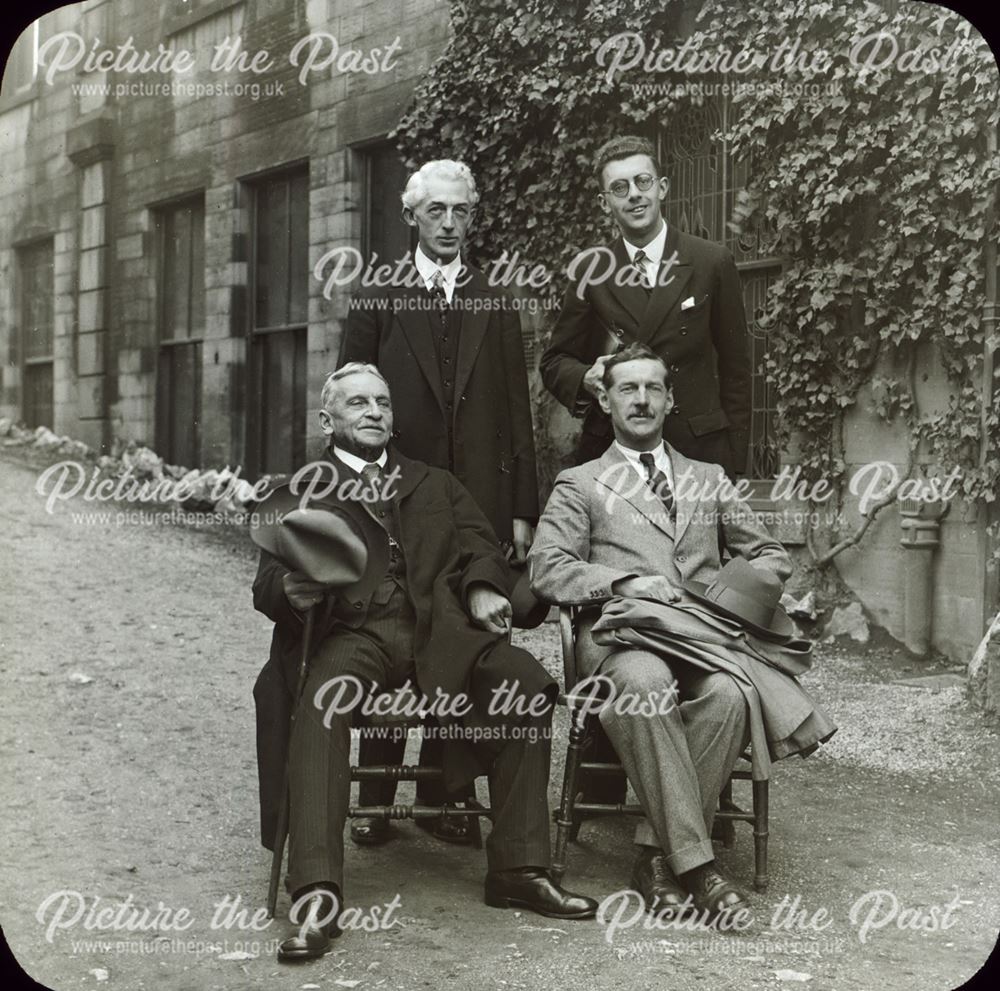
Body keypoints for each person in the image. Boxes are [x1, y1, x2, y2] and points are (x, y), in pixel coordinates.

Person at [252, 363, 596, 962]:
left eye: (382, 402)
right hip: (351, 632)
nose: (374, 412)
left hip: (440, 629)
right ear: (327, 419)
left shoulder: (433, 481)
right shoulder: (302, 488)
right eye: (357, 403)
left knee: (525, 685)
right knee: (321, 703)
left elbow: (482, 546)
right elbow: (268, 583)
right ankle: (316, 894)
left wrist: (486, 585)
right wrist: (292, 591)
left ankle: (518, 866)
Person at [529, 343, 806, 921]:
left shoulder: (709, 478)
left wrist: (726, 595)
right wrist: (622, 582)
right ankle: (700, 871)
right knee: (646, 682)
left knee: (731, 693)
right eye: (627, 388)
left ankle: (658, 860)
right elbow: (547, 567)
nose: (641, 399)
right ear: (604, 400)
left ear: (670, 399)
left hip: (702, 636)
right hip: (622, 638)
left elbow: (772, 555)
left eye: (653, 388)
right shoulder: (581, 482)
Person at [340, 160, 541, 840]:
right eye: (438, 213)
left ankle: (445, 796)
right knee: (396, 619)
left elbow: (518, 410)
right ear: (413, 217)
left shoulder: (494, 297)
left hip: (479, 498)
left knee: (461, 630)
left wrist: (521, 509)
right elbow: (351, 393)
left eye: (461, 212)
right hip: (397, 495)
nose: (451, 224)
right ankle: (375, 794)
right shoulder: (378, 293)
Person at [540, 135, 752, 477]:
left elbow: (737, 372)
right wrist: (587, 378)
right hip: (615, 451)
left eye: (643, 181)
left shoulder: (711, 261)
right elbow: (554, 362)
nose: (635, 194)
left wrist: (735, 466)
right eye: (620, 188)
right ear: (604, 202)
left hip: (696, 449)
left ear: (662, 187)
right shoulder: (591, 270)